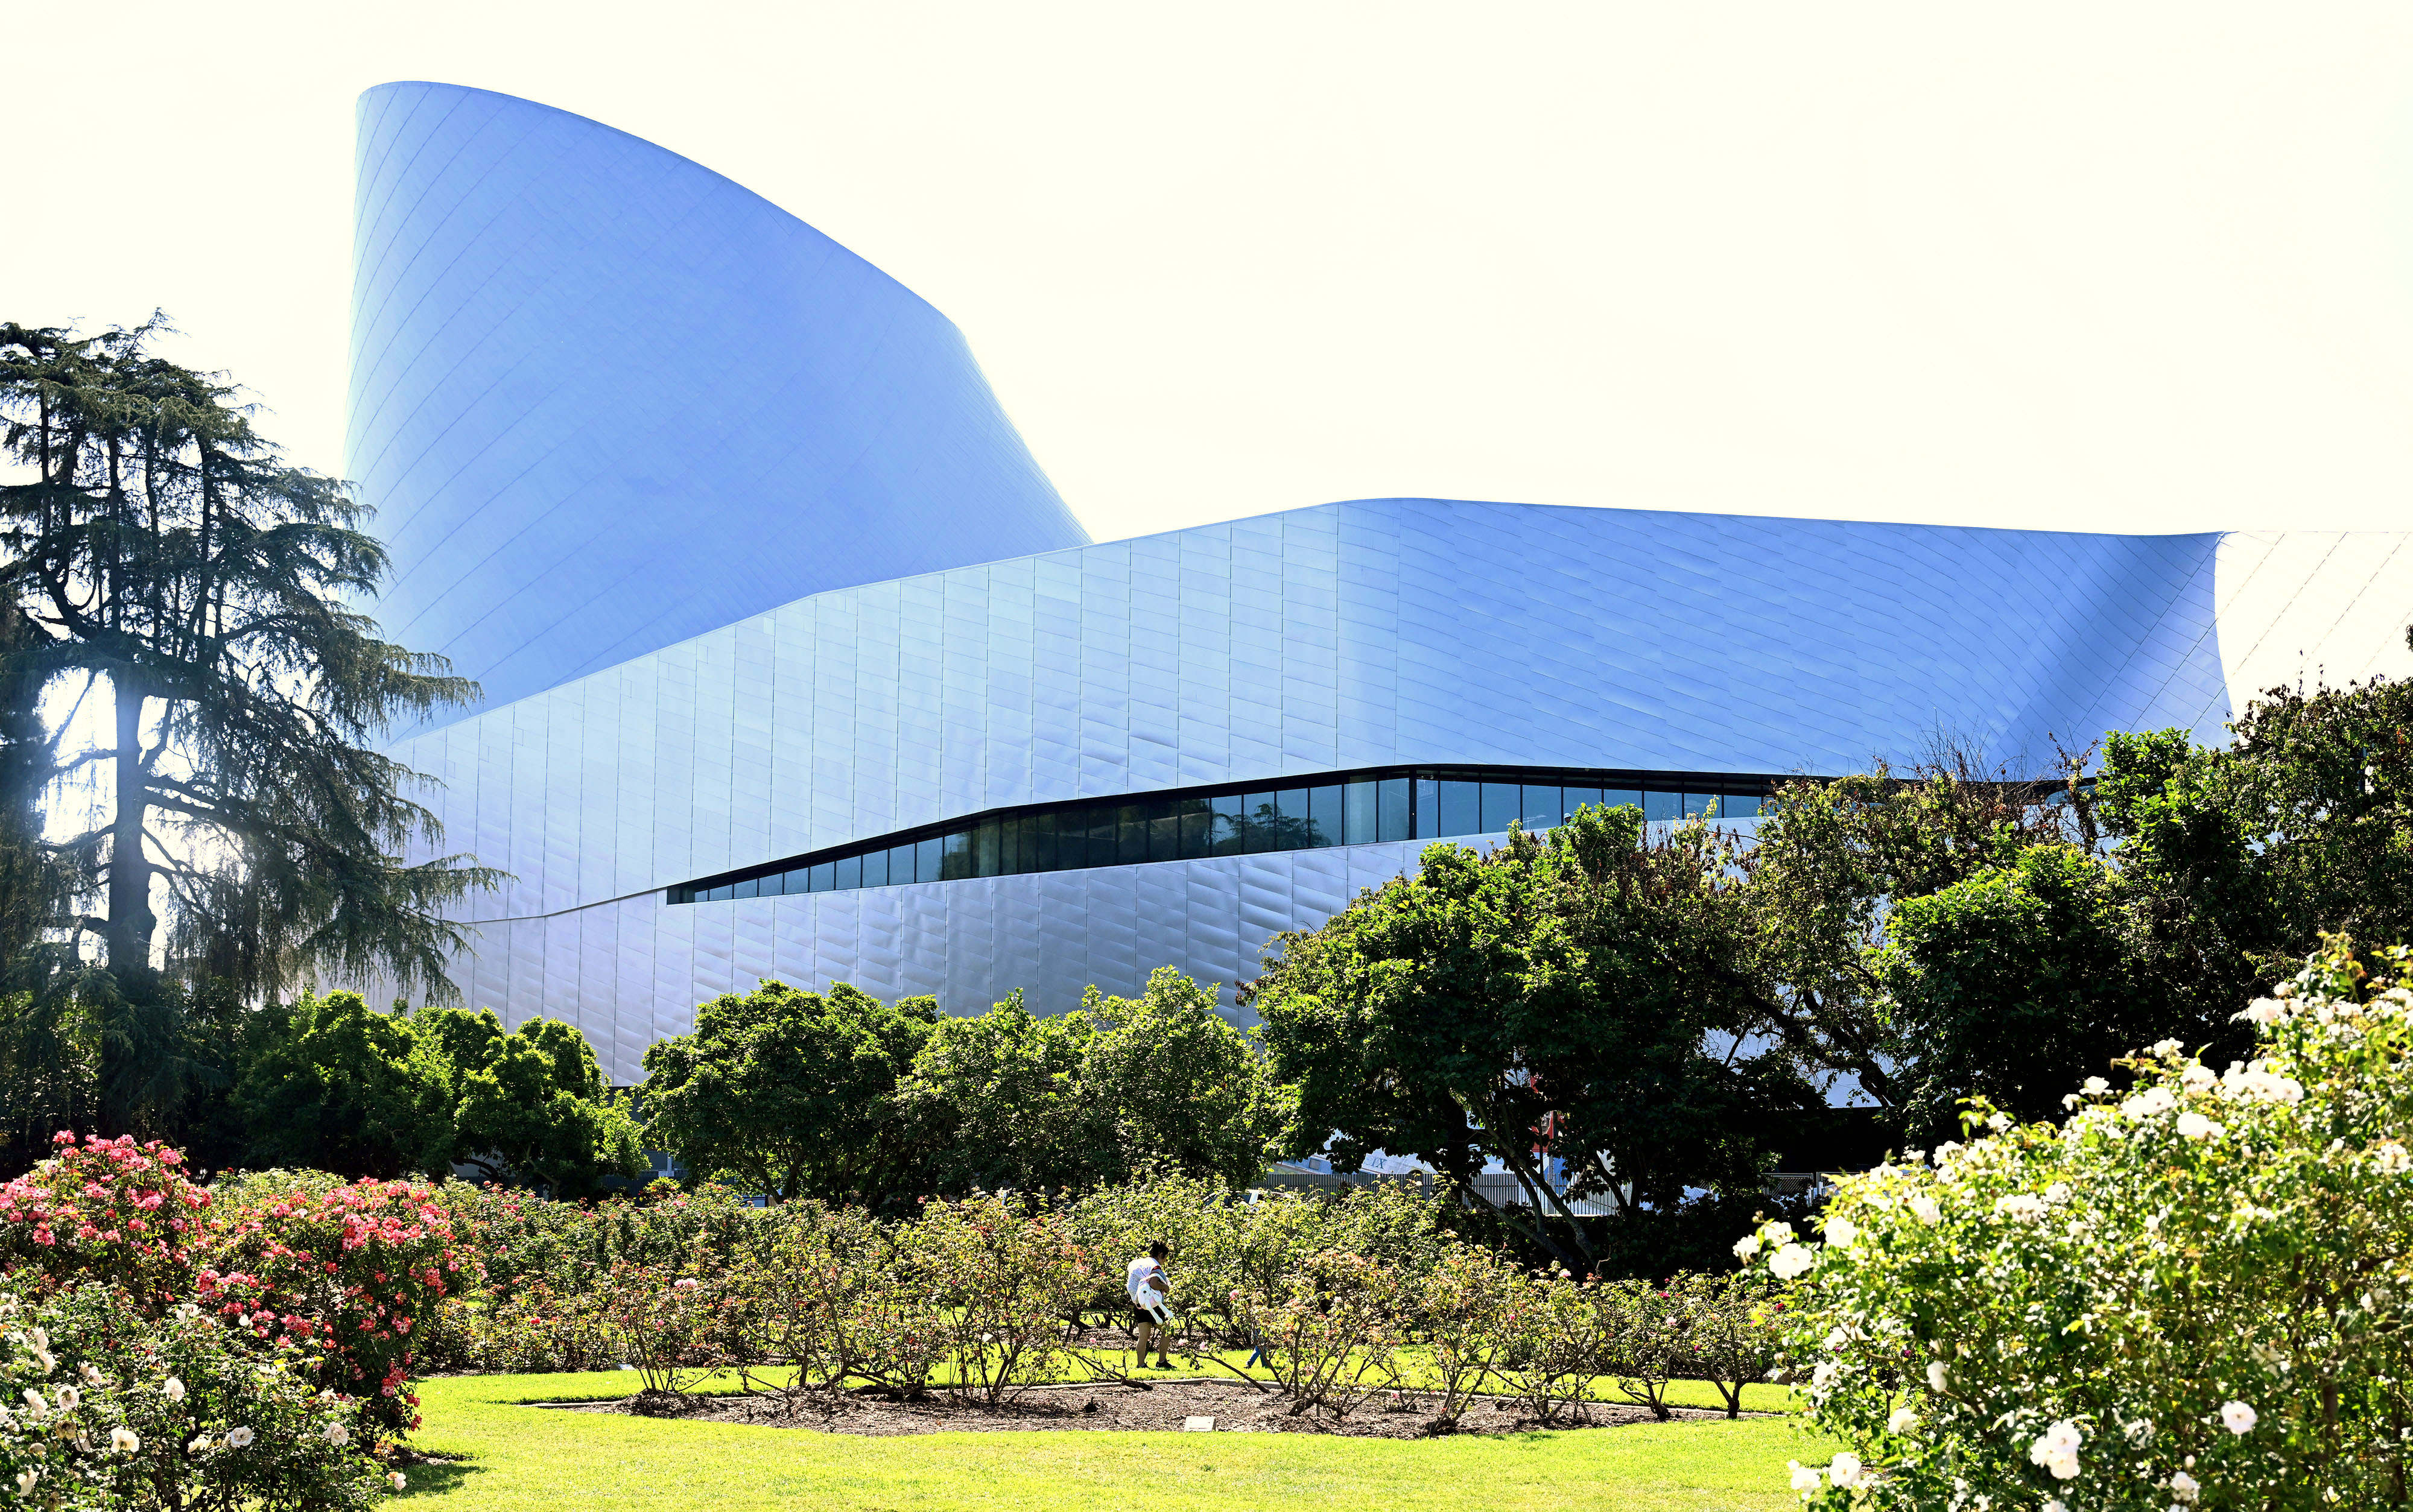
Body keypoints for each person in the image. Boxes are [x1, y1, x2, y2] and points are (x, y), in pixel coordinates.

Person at [1126, 1240, 1173, 1370]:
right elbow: (1153, 1284)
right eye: (1165, 1258)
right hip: (1152, 1304)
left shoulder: (1139, 1263)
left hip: (1139, 1303)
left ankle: (1141, 1364)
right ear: (1161, 1254)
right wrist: (1165, 1287)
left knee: (1143, 1336)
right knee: (1167, 1330)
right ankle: (1162, 1362)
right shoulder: (1155, 1266)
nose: (1165, 1261)